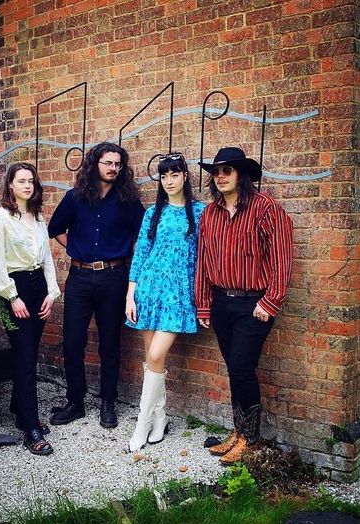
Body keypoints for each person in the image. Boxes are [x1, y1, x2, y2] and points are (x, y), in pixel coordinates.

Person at [195, 146, 294, 465]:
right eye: (216, 172)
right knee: (235, 370)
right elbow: (203, 262)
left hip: (255, 305)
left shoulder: (266, 208)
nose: (220, 176)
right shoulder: (210, 214)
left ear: (242, 174)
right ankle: (239, 433)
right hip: (221, 302)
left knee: (241, 367)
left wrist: (271, 300)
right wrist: (204, 304)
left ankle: (251, 440)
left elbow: (282, 258)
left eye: (227, 170)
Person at [48, 142, 145, 428]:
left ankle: (108, 403)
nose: (113, 168)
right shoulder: (75, 197)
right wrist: (75, 248)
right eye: (108, 163)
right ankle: (75, 402)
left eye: (118, 164)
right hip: (79, 278)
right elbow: (55, 228)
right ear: (95, 164)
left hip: (113, 278)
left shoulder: (128, 200)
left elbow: (143, 235)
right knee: (72, 342)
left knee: (110, 343)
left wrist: (125, 254)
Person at [125, 152, 205, 451]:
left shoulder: (200, 212)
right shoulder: (153, 213)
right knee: (151, 360)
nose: (169, 181)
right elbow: (141, 253)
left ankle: (142, 424)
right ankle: (160, 419)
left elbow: (205, 256)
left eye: (174, 174)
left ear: (185, 176)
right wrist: (131, 293)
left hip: (178, 294)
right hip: (149, 289)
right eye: (164, 176)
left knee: (157, 356)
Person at [0, 162, 60, 456]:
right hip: (16, 289)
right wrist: (12, 297)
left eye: (31, 181)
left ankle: (19, 408)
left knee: (29, 352)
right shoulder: (0, 218)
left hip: (38, 286)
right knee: (25, 356)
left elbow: (48, 258)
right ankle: (31, 428)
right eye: (21, 181)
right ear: (10, 185)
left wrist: (52, 293)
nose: (27, 185)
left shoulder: (38, 216)